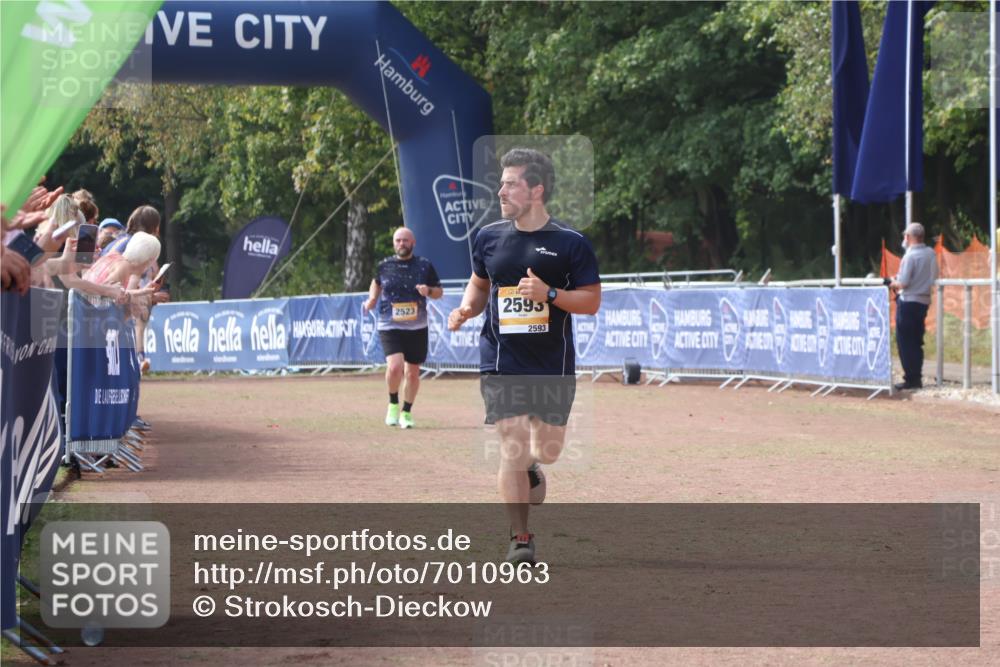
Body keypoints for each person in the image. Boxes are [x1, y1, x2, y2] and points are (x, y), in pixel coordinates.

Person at [447, 148, 601, 564]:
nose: (501, 190)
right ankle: (520, 539)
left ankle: (535, 465)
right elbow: (479, 285)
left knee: (546, 450)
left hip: (552, 364)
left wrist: (549, 294)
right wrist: (466, 307)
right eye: (501, 182)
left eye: (511, 183)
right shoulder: (488, 238)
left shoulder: (571, 243)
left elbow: (590, 302)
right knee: (511, 444)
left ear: (536, 190)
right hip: (500, 360)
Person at [363, 227, 443, 429]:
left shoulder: (424, 266)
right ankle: (392, 403)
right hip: (390, 325)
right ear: (393, 243)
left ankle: (406, 412)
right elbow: (376, 282)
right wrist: (372, 298)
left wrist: (429, 290)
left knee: (412, 373)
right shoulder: (384, 265)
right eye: (398, 240)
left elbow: (439, 292)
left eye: (405, 240)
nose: (401, 244)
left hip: (417, 327)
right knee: (395, 366)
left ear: (413, 243)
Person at [890, 222, 938, 391]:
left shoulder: (910, 256)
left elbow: (903, 282)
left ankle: (911, 378)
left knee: (905, 342)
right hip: (923, 301)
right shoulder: (931, 253)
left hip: (909, 302)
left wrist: (891, 282)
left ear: (909, 237)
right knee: (916, 341)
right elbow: (933, 276)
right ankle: (915, 376)